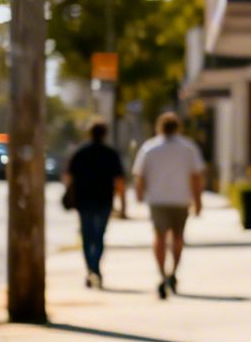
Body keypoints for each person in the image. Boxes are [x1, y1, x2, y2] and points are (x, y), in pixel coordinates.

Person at [132, 112, 207, 300]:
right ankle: (173, 272)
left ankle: (162, 274)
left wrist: (140, 195)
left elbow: (139, 175)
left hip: (157, 200)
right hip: (181, 199)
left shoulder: (149, 148)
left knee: (159, 237)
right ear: (178, 127)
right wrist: (198, 201)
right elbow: (196, 177)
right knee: (178, 238)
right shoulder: (188, 148)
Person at [61, 123, 125, 290]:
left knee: (87, 235)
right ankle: (95, 268)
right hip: (104, 200)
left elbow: (68, 176)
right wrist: (122, 203)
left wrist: (70, 191)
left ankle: (90, 268)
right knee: (99, 236)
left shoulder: (80, 152)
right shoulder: (110, 153)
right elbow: (119, 181)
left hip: (84, 199)